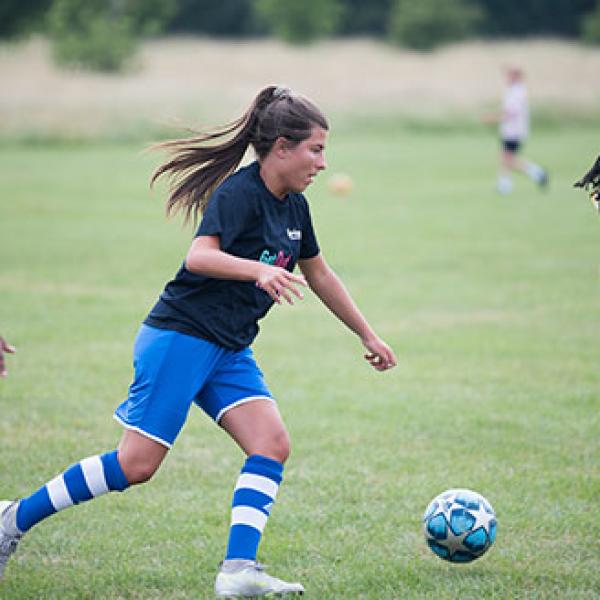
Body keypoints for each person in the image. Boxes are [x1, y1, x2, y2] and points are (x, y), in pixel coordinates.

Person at [0, 85, 397, 597]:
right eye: (315, 149)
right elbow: (199, 257)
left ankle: (238, 572)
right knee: (135, 465)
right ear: (281, 146)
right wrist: (258, 271)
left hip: (229, 348)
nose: (322, 163)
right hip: (181, 337)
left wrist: (368, 334)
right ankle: (12, 520)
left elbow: (319, 274)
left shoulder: (294, 207)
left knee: (271, 445)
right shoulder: (239, 194)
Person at [486, 67, 548, 195]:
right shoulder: (513, 91)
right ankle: (505, 185)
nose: (506, 79)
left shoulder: (518, 92)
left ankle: (537, 172)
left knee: (508, 158)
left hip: (514, 130)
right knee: (505, 158)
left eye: (509, 76)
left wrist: (492, 118)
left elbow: (510, 112)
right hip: (509, 130)